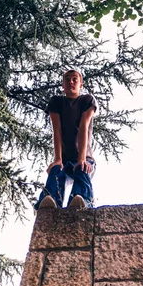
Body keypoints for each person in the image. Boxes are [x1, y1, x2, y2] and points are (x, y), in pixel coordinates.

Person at [35, 69, 97, 209]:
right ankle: (50, 202)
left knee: (82, 168)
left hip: (83, 156)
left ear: (81, 84)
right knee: (56, 170)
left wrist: (81, 158)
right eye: (67, 79)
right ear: (62, 85)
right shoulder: (56, 101)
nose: (71, 82)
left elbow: (83, 128)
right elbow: (56, 129)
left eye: (75, 79)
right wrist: (58, 159)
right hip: (64, 158)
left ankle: (82, 201)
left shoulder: (87, 100)